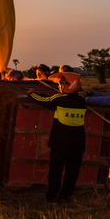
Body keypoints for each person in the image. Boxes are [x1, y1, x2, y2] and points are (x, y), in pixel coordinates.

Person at [28, 72, 86, 203]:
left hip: (60, 143)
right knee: (72, 171)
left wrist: (31, 93)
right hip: (78, 143)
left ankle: (51, 196)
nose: (59, 86)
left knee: (56, 171)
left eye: (61, 83)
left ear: (67, 85)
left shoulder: (59, 99)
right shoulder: (81, 101)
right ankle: (65, 196)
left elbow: (42, 100)